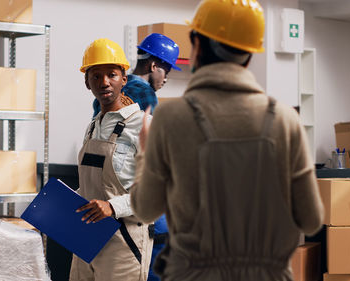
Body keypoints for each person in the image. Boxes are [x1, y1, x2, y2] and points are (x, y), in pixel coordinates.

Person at [130, 0, 325, 280]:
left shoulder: (171, 118)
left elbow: (145, 208)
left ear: (196, 44)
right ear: (248, 55)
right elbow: (311, 218)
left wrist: (145, 153)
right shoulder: (283, 119)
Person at [91, 33, 181, 281]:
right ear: (154, 66)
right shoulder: (145, 93)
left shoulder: (108, 90)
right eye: (166, 70)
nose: (166, 77)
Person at [69, 38, 153, 281]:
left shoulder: (143, 125)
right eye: (96, 76)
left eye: (112, 74)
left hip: (123, 242)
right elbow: (92, 185)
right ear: (87, 82)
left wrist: (113, 206)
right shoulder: (93, 126)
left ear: (124, 79)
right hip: (86, 238)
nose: (104, 82)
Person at [93, 33, 181, 116]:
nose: (165, 79)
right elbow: (151, 130)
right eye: (166, 73)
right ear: (153, 66)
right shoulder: (145, 92)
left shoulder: (110, 90)